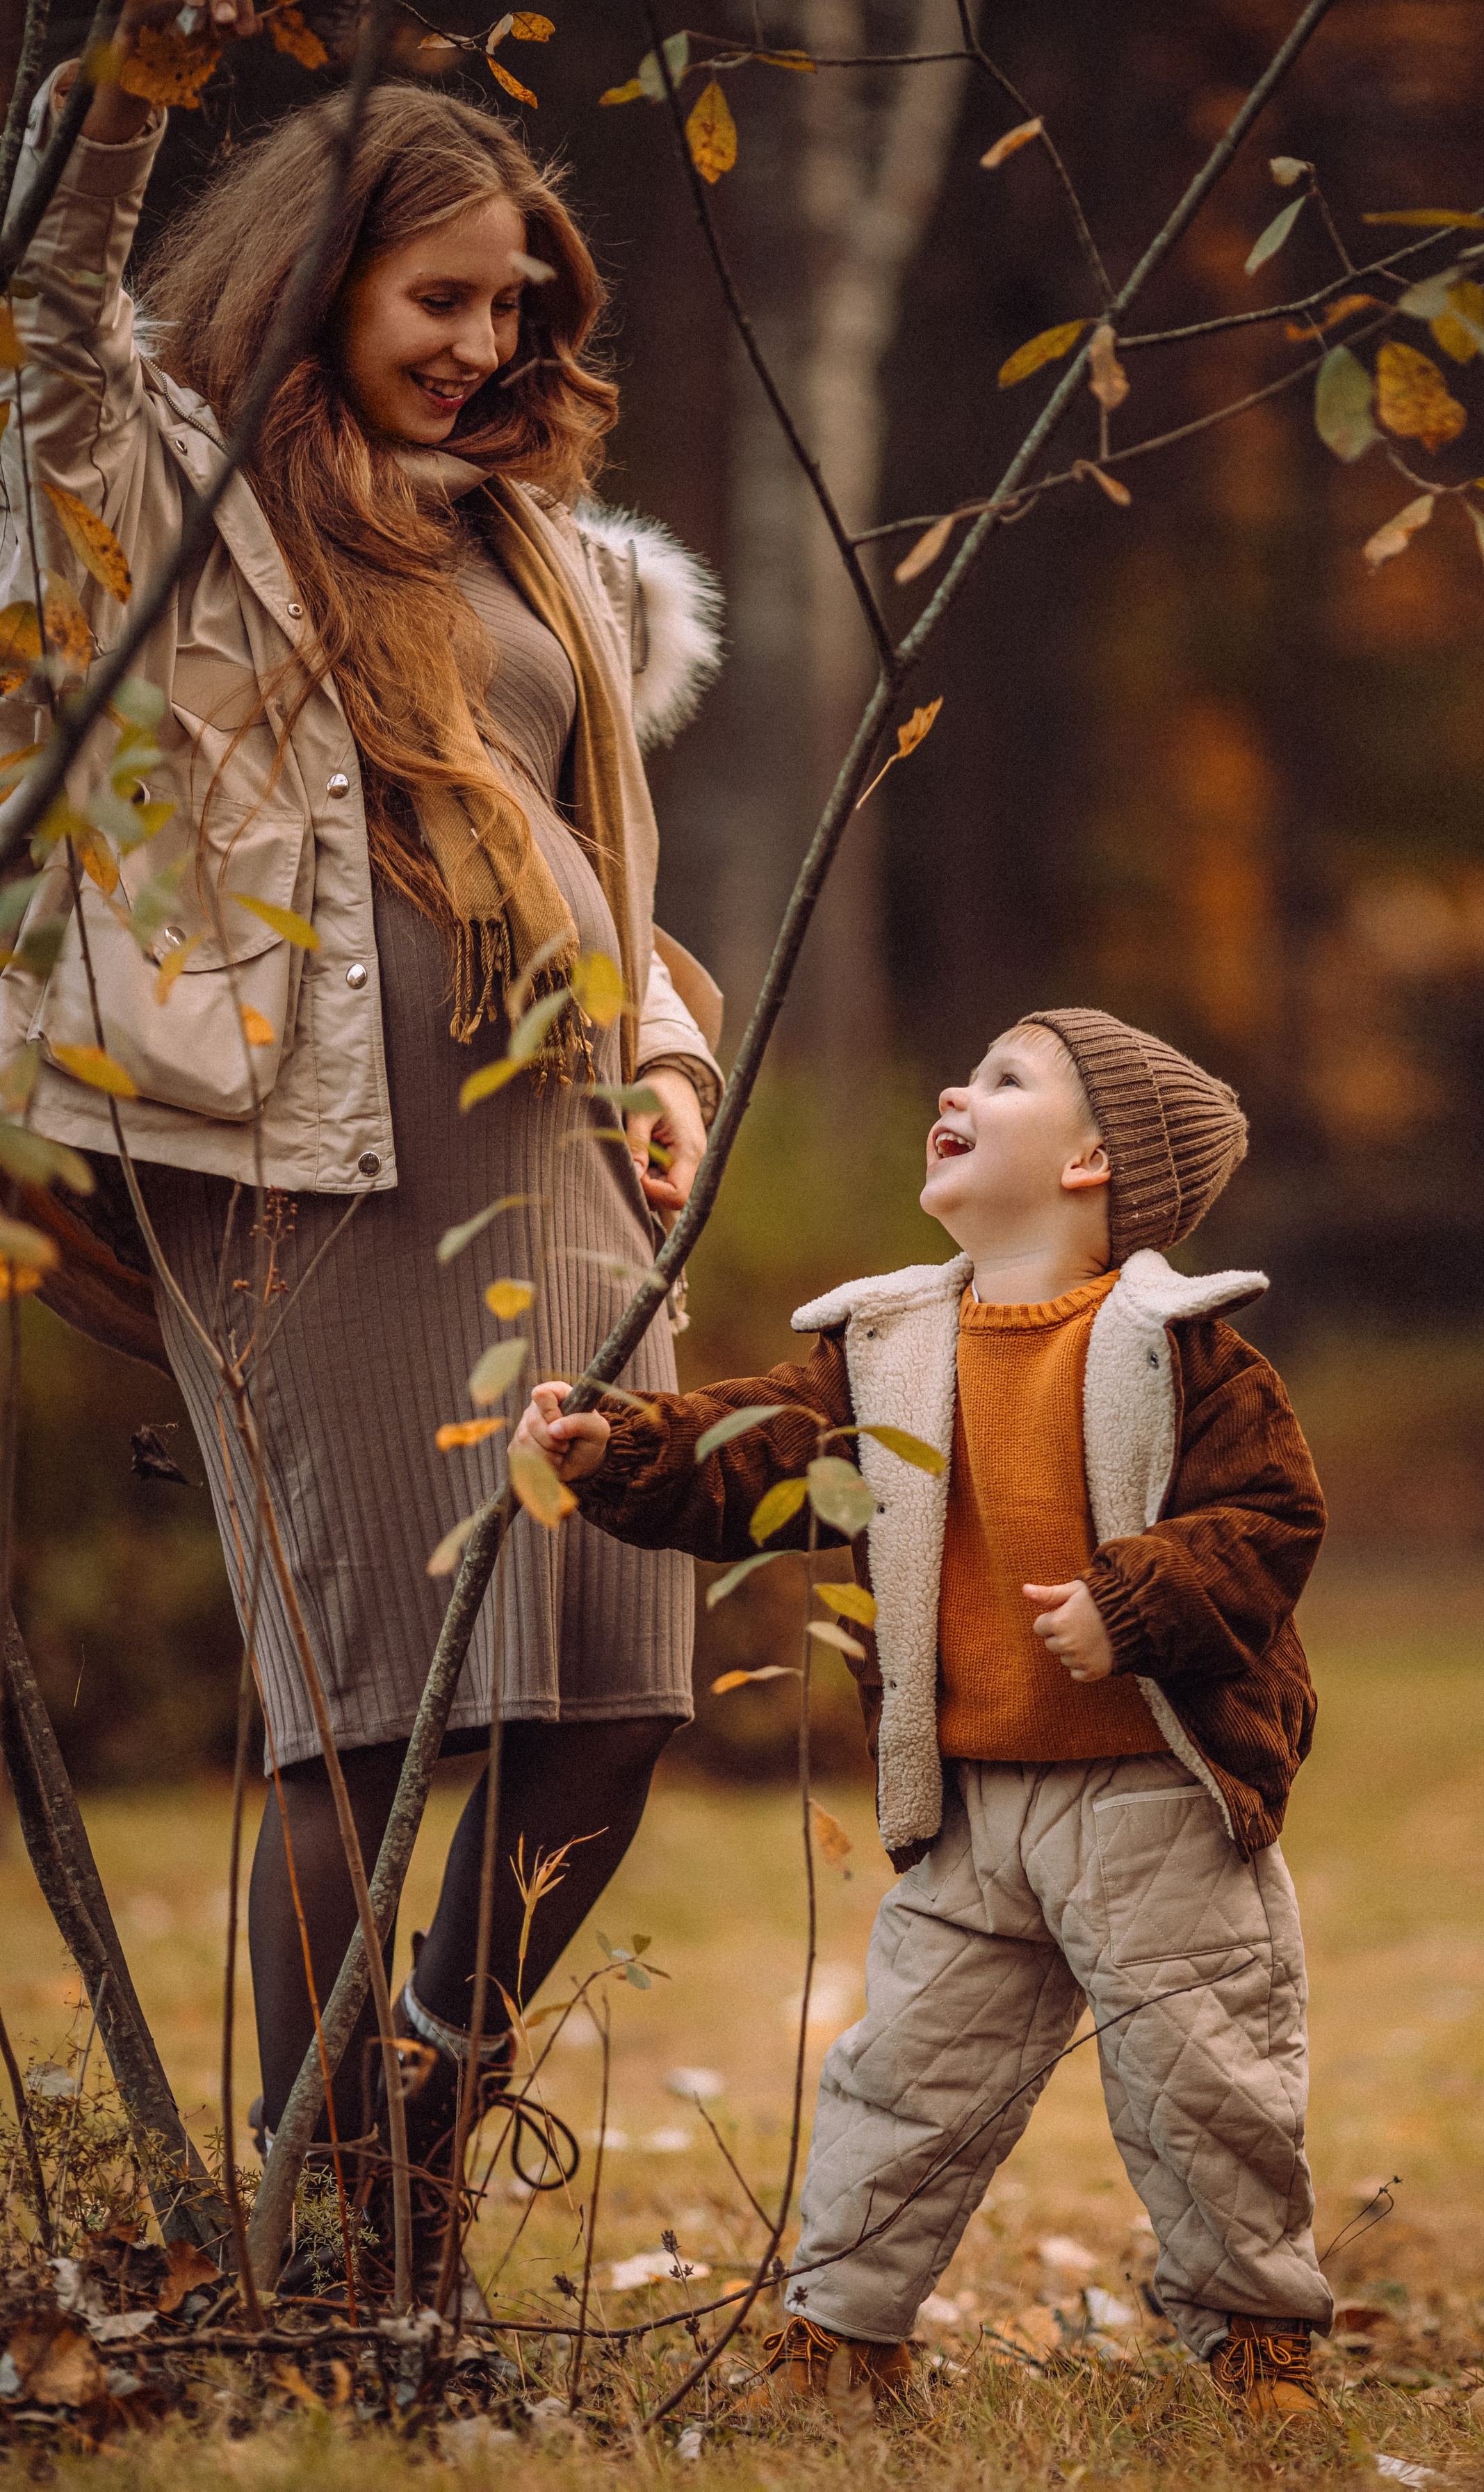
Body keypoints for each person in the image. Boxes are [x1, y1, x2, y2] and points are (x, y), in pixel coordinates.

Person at [0, 0, 726, 2292]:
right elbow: (50, 311)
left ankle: (420, 2108)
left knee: (614, 1699)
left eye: (520, 303)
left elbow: (597, 854)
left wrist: (668, 1054)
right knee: (369, 1714)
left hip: (562, 1169)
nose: (487, 343)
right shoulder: (187, 514)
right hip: (314, 1186)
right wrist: (128, 71)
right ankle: (326, 2234)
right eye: (443, 297)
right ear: (320, 281)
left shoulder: (540, 542)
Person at [514, 1010, 1334, 2423]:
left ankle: (1257, 2344)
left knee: (1205, 2080)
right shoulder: (888, 1347)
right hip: (964, 1812)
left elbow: (1267, 1520)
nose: (957, 1085)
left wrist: (1131, 1602)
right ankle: (842, 2342)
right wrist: (625, 1444)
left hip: (1153, 1798)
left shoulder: (1177, 1349)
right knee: (900, 2082)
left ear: (1091, 1162)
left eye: (1006, 1077)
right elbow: (763, 1454)